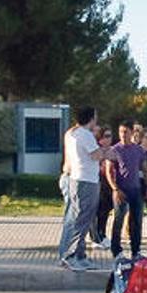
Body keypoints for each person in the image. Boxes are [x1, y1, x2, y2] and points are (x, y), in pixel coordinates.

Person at [57, 107, 117, 271]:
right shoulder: (85, 135)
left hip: (80, 179)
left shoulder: (74, 133)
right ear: (91, 118)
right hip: (86, 181)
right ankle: (71, 255)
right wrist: (108, 152)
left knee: (80, 219)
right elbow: (95, 155)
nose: (96, 120)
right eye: (95, 117)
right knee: (81, 220)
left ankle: (79, 256)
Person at [105, 121, 147, 258]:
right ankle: (116, 249)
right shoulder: (114, 150)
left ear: (132, 133)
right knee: (118, 220)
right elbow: (109, 172)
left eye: (126, 132)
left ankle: (136, 250)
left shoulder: (139, 150)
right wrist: (115, 189)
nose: (123, 135)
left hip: (135, 189)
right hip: (121, 189)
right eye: (121, 132)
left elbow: (145, 169)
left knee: (136, 221)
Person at [92, 126, 114, 250]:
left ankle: (102, 234)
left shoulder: (113, 150)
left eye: (110, 136)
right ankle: (95, 237)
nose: (108, 139)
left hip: (109, 184)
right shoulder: (95, 150)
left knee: (105, 211)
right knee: (96, 211)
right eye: (105, 136)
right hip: (96, 182)